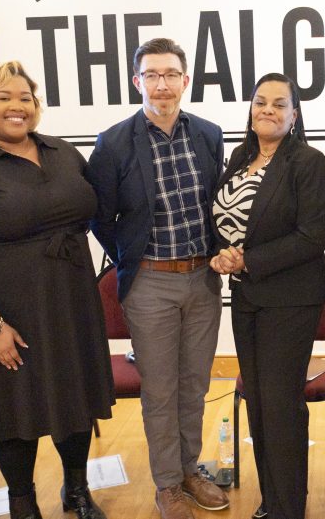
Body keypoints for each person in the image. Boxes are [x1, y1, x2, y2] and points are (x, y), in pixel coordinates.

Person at [0, 61, 114, 519]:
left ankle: (76, 489)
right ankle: (22, 501)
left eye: (25, 98)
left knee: (75, 397)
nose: (17, 106)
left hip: (70, 302)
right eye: (3, 97)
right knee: (13, 407)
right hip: (3, 312)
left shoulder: (62, 153)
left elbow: (95, 212)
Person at [88, 38, 227, 519]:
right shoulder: (113, 143)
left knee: (195, 386)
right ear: (137, 81)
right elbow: (101, 217)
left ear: (185, 81)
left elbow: (215, 205)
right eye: (152, 75)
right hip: (150, 283)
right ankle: (167, 484)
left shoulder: (208, 134)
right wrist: (133, 258)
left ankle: (190, 470)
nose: (161, 84)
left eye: (170, 74)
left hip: (203, 280)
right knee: (161, 390)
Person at [210, 73, 325, 519]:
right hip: (247, 298)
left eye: (279, 104)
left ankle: (288, 508)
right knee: (259, 405)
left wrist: (248, 260)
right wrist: (221, 254)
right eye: (260, 101)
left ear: (294, 115)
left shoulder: (307, 162)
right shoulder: (240, 157)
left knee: (281, 407)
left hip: (290, 301)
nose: (268, 110)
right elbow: (226, 219)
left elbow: (314, 234)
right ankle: (272, 501)